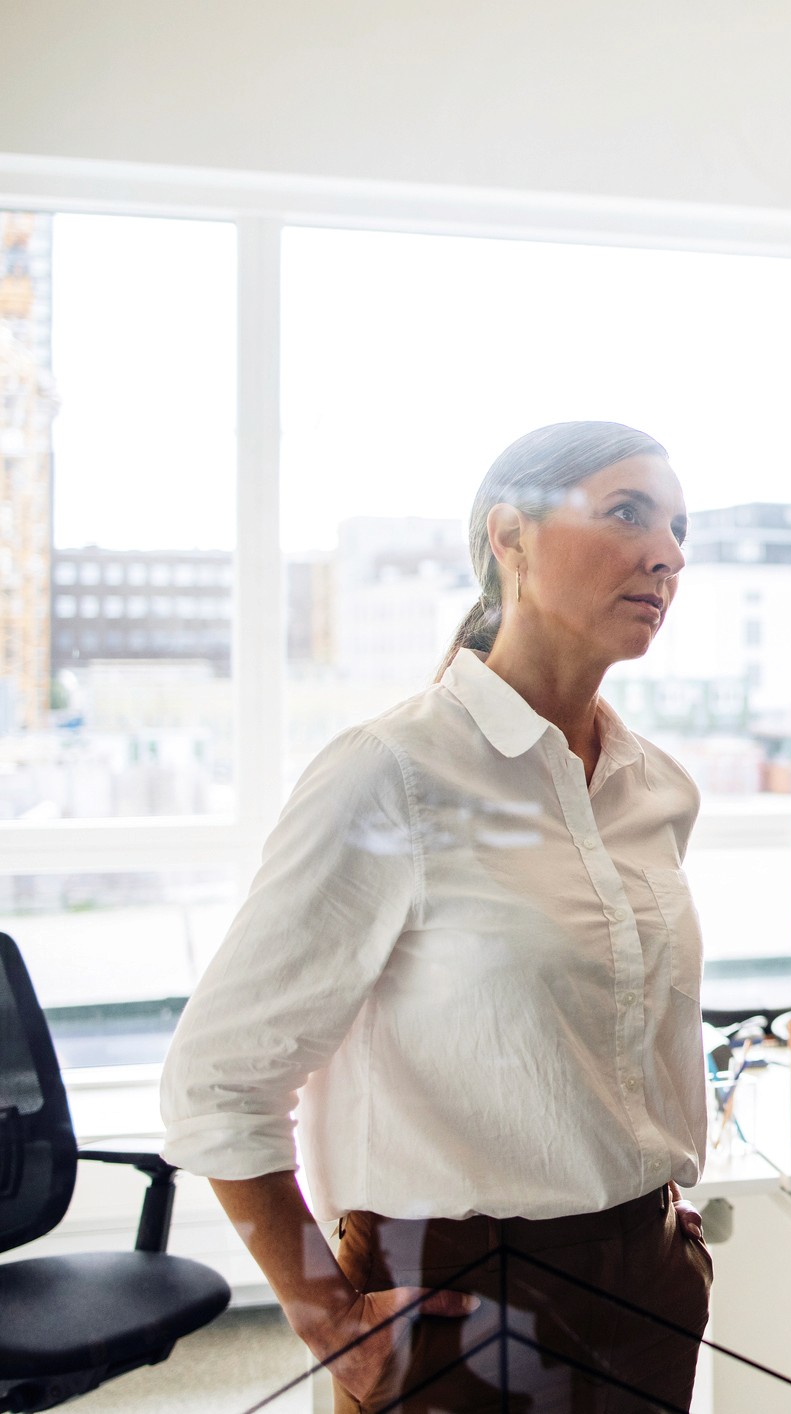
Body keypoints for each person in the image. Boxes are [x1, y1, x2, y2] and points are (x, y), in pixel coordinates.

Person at [160, 422, 714, 1413]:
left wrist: (660, 1242)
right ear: (511, 535)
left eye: (677, 526)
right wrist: (326, 1317)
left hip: (646, 1281)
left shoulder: (657, 788)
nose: (666, 551)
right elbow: (216, 1079)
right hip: (456, 1295)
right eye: (627, 512)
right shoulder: (392, 772)